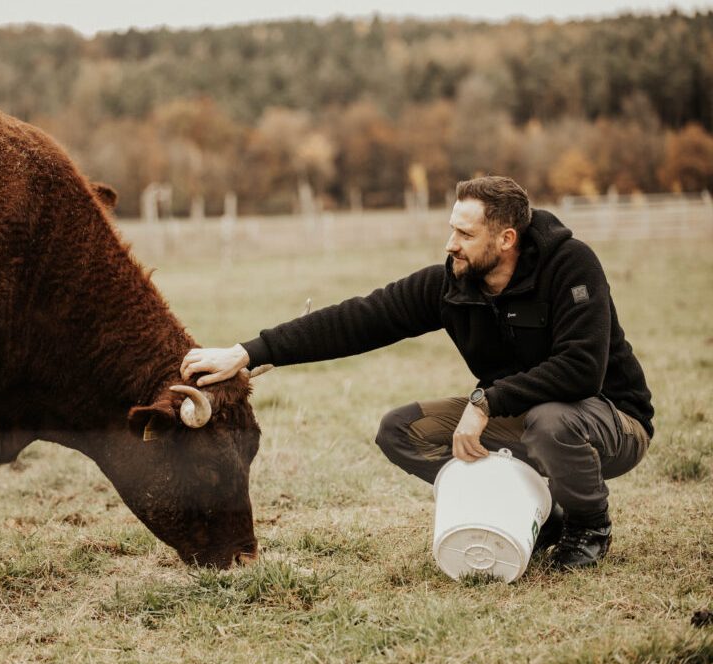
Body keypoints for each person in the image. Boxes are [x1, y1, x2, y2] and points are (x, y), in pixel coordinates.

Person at [181, 175, 653, 571]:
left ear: (506, 239)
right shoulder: (452, 283)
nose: (451, 244)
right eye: (452, 229)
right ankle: (534, 511)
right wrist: (247, 352)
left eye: (465, 235)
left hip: (610, 420)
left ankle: (589, 526)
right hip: (523, 418)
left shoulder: (571, 265)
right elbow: (359, 319)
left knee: (552, 421)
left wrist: (485, 401)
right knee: (401, 431)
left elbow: (581, 370)